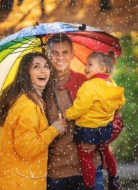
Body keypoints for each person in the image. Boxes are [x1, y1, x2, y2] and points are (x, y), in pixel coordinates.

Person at [0, 52, 67, 190]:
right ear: (26, 73)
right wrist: (54, 129)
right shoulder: (27, 106)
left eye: (46, 66)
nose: (43, 70)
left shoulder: (29, 100)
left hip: (12, 178)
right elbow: (27, 149)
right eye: (36, 66)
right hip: (18, 182)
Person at [44, 34, 105, 190]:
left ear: (72, 54)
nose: (60, 57)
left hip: (89, 168)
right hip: (55, 173)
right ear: (47, 54)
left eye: (65, 52)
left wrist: (96, 139)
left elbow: (112, 118)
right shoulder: (41, 87)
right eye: (55, 53)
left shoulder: (87, 83)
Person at [64, 52, 125, 190]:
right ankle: (114, 178)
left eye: (90, 64)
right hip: (105, 128)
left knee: (85, 158)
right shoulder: (112, 84)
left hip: (88, 128)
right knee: (105, 151)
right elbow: (121, 101)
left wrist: (67, 115)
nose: (86, 67)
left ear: (103, 68)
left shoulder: (89, 85)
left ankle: (90, 185)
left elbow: (80, 107)